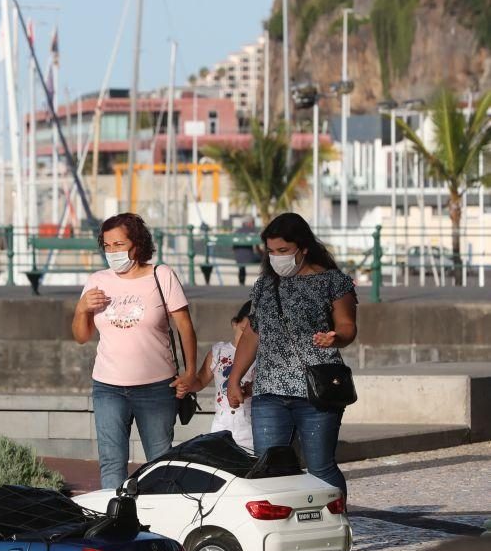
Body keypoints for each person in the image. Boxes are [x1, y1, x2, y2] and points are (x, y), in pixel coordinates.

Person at [226, 212, 357, 498]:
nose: (276, 257)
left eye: (283, 251)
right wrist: (234, 379)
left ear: (303, 247)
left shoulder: (333, 281)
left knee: (320, 467)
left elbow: (347, 326)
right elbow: (252, 333)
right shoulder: (264, 285)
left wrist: (336, 337)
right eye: (271, 251)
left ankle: (334, 525)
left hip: (317, 391)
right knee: (268, 468)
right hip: (269, 392)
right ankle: (283, 529)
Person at [73, 213, 199, 490]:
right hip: (108, 387)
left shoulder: (161, 276)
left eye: (119, 244)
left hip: (155, 388)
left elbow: (185, 329)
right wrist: (81, 308)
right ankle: (113, 521)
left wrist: (190, 373)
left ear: (137, 244)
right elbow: (81, 336)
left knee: (161, 461)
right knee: (111, 461)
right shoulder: (97, 280)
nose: (112, 252)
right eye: (107, 246)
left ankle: (164, 519)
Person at [193, 301, 255, 449]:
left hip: (249, 424)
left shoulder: (261, 355)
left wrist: (248, 390)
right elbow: (200, 380)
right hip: (221, 423)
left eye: (252, 334)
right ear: (234, 324)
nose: (246, 336)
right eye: (243, 330)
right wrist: (188, 383)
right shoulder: (218, 351)